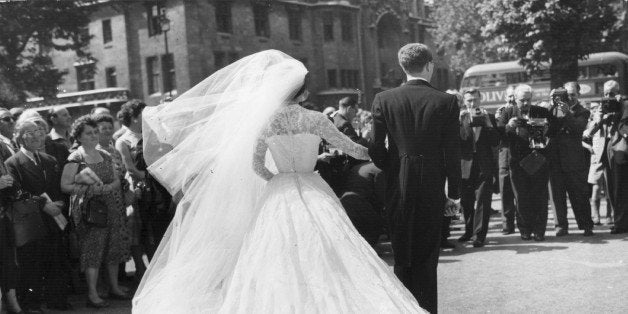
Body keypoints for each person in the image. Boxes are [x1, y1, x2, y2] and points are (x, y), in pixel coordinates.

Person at [133, 50, 424, 313]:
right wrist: (386, 152)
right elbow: (355, 149)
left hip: (280, 189)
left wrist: (276, 179)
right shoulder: (315, 119)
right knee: (327, 248)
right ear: (303, 91)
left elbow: (257, 165)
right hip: (312, 186)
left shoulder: (266, 122)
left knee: (274, 252)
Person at [370, 43, 461, 313]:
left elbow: (375, 147)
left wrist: (394, 166)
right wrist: (453, 193)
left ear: (402, 67)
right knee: (426, 256)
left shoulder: (383, 99)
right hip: (431, 183)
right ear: (429, 65)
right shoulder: (446, 101)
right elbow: (452, 152)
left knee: (402, 253)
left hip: (398, 183)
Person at [60, 115, 131, 309]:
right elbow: (65, 186)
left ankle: (114, 287)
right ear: (79, 137)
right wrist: (91, 190)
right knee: (93, 251)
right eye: (89, 133)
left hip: (112, 208)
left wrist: (108, 188)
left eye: (95, 132)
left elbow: (116, 179)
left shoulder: (106, 155)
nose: (94, 136)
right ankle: (92, 294)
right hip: (90, 212)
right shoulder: (76, 157)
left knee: (113, 248)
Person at [5, 118, 70, 313]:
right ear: (19, 137)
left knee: (56, 259)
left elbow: (59, 187)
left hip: (54, 218)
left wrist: (59, 203)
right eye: (30, 132)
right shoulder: (13, 163)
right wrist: (43, 204)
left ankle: (57, 301)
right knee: (31, 263)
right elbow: (16, 192)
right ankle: (31, 305)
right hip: (31, 221)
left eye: (40, 132)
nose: (36, 136)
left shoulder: (49, 160)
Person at [497, 84, 556, 241]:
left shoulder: (541, 111)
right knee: (521, 197)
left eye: (528, 100)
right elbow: (498, 133)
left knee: (539, 196)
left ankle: (539, 231)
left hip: (538, 159)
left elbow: (554, 129)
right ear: (515, 99)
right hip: (517, 161)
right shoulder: (507, 112)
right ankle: (525, 229)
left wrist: (547, 129)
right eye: (522, 100)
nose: (525, 103)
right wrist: (509, 126)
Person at [547, 82, 594, 237]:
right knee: (557, 195)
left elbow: (577, 128)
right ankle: (560, 226)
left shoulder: (583, 111)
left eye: (573, 94)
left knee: (579, 194)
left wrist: (567, 112)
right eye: (567, 94)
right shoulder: (554, 109)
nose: (570, 97)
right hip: (556, 159)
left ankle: (586, 225)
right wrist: (550, 103)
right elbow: (545, 122)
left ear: (578, 94)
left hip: (574, 160)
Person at [457, 89, 498, 248]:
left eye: (475, 100)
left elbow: (495, 142)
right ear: (464, 102)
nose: (472, 104)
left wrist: (488, 123)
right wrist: (457, 122)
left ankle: (479, 235)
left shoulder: (489, 117)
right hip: (465, 164)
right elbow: (454, 142)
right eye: (469, 101)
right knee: (466, 201)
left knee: (483, 200)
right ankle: (468, 230)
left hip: (483, 164)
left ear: (480, 99)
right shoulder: (460, 118)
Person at [585, 80, 619, 225]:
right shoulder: (599, 110)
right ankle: (596, 215)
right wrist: (599, 118)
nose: (608, 97)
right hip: (598, 154)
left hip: (615, 153)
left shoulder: (622, 107)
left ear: (617, 94)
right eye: (605, 94)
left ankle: (611, 216)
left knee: (612, 187)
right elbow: (588, 133)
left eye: (611, 94)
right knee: (596, 187)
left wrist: (617, 111)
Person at [495, 85, 517, 234]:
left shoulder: (524, 111)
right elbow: (498, 135)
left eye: (514, 96)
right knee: (506, 191)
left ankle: (523, 224)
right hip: (505, 156)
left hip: (521, 155)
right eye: (509, 96)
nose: (512, 99)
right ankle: (507, 225)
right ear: (505, 97)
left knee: (521, 192)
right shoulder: (500, 113)